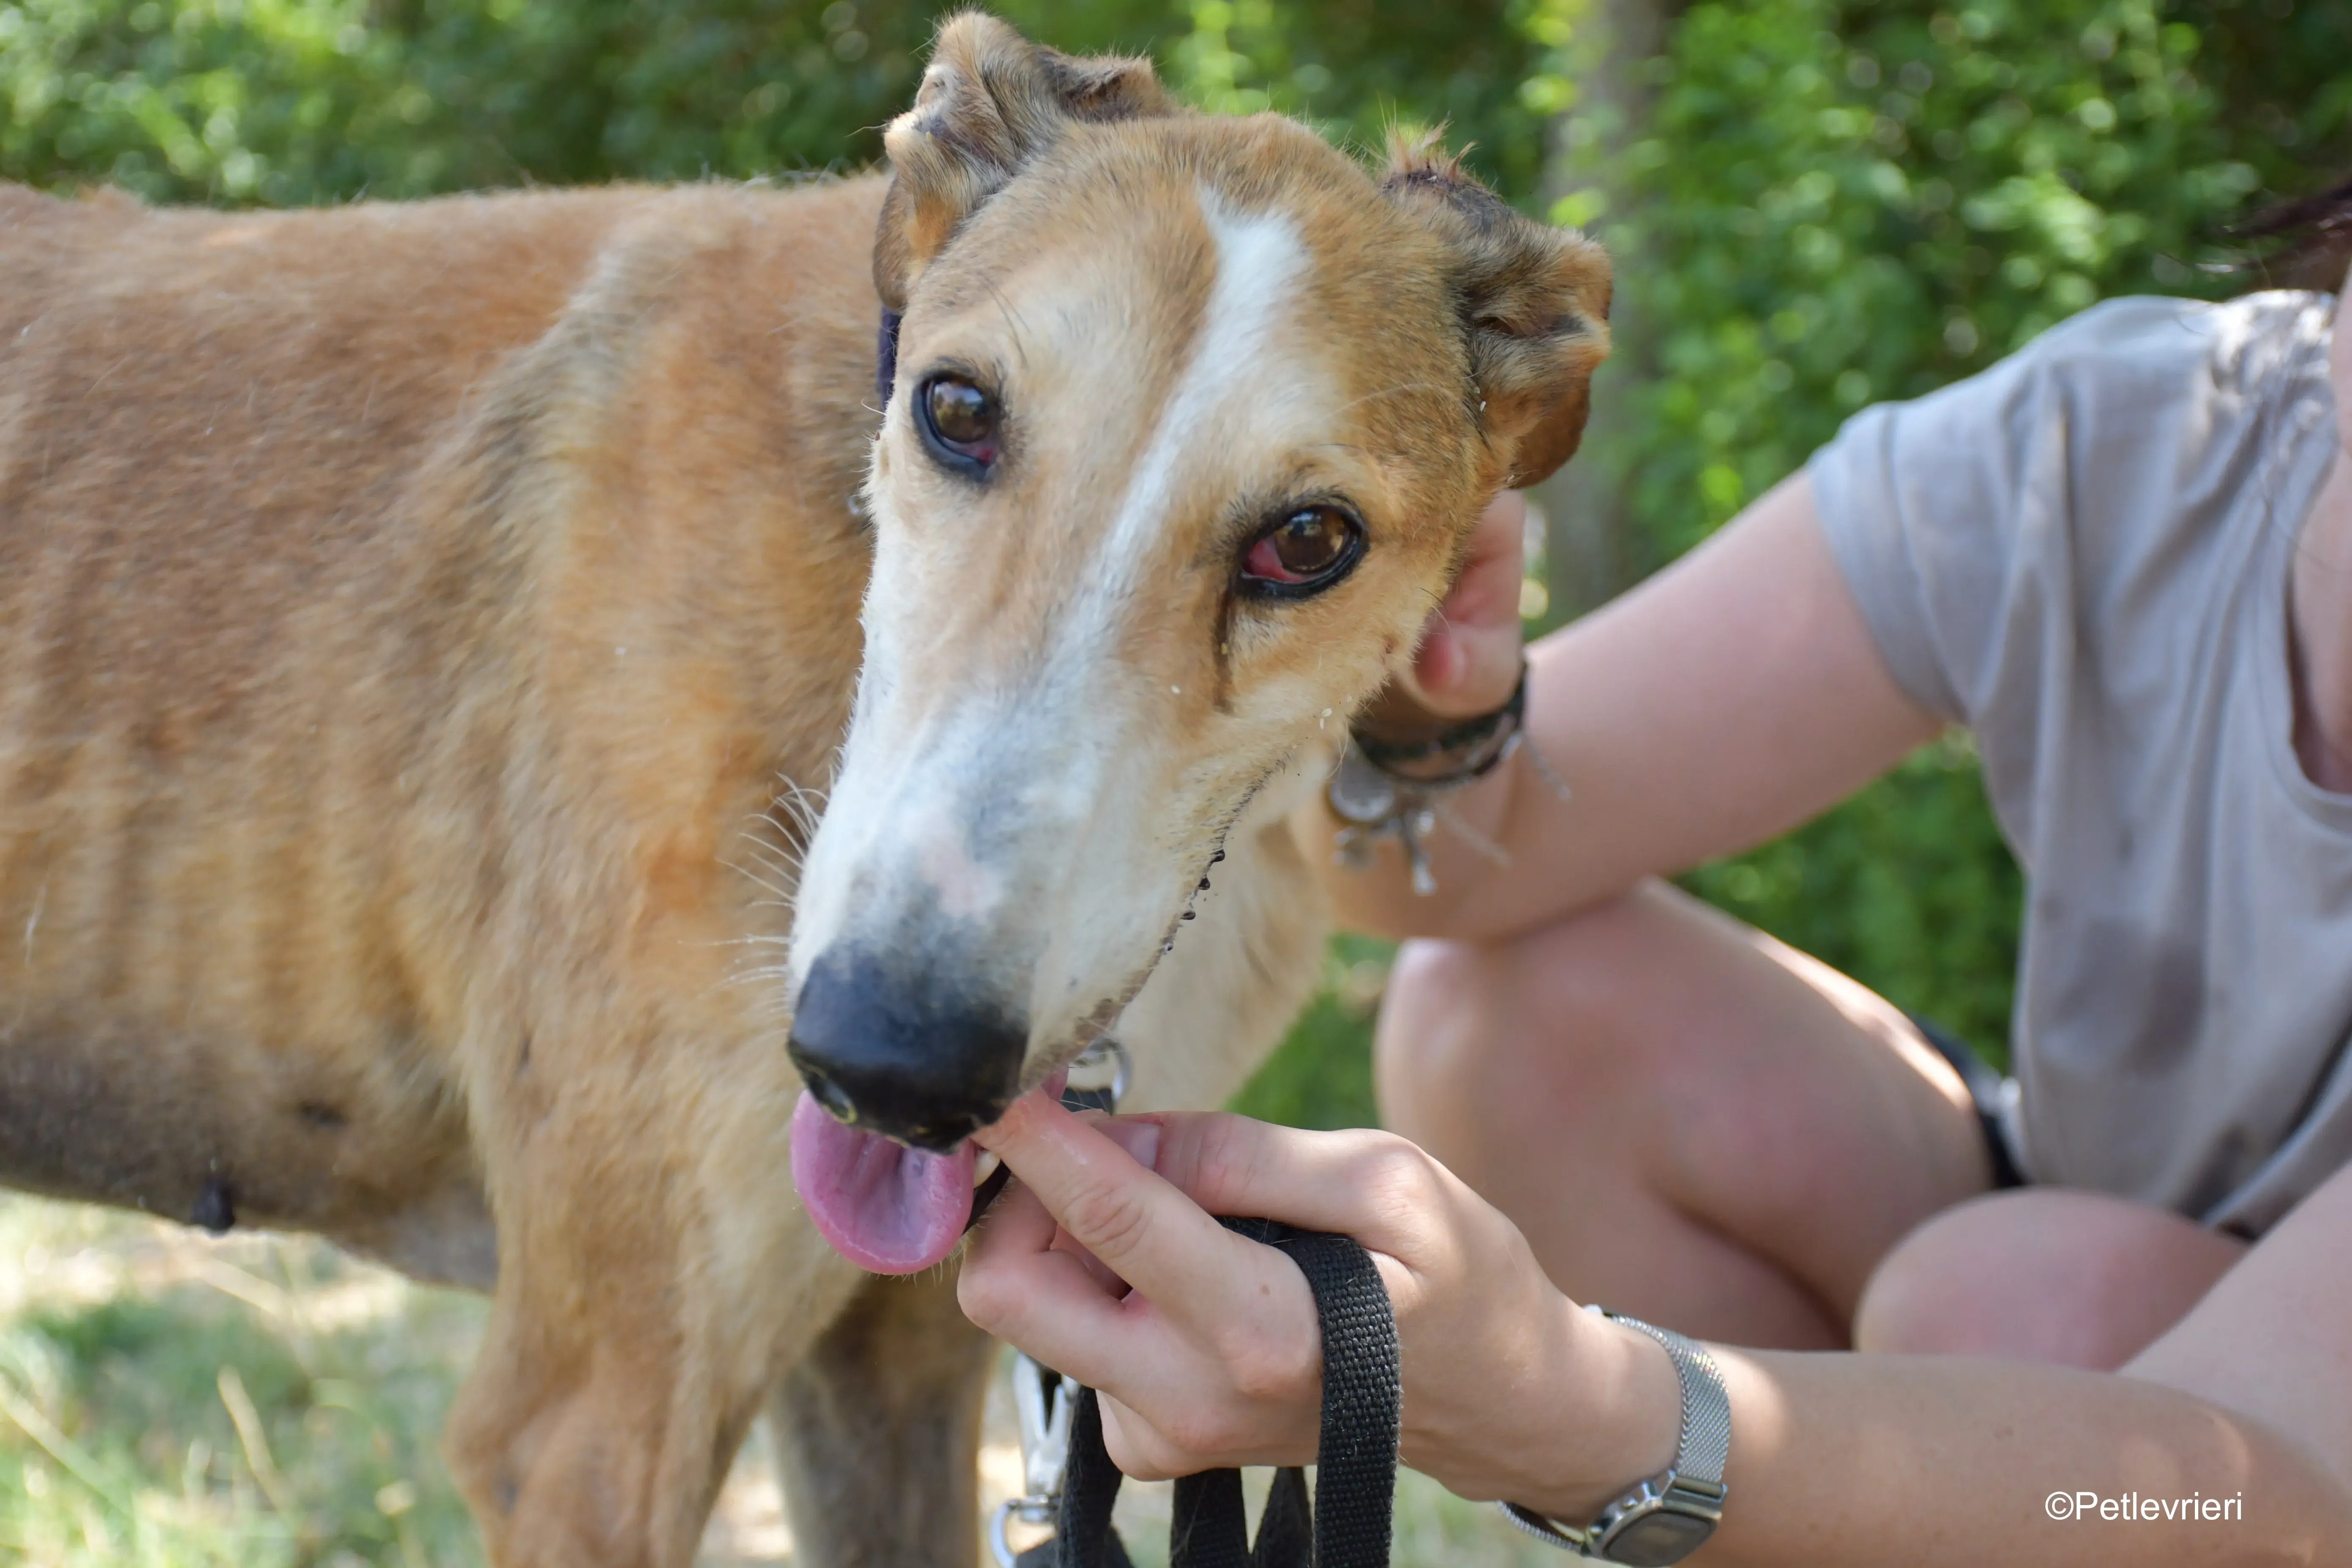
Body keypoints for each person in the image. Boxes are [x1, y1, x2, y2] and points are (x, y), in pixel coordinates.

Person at [958, 188, 2352, 1563]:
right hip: (2100, 1230)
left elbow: (2258, 1500)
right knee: (1513, 1015)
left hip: (2244, 1447)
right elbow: (1437, 882)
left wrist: (1561, 1407)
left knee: (2020, 1310)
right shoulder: (2146, 437)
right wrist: (1425, 701)